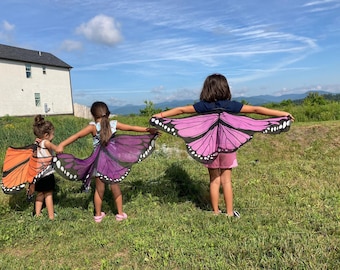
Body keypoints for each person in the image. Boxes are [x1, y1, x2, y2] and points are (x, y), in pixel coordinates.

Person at [153, 73, 294, 218]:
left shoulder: (203, 106)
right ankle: (229, 213)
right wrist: (283, 114)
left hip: (209, 148)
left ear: (206, 89)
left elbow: (181, 110)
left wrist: (160, 116)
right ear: (225, 88)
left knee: (214, 180)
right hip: (227, 148)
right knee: (226, 181)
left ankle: (215, 212)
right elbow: (256, 110)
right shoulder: (230, 105)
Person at [56, 101, 158, 223]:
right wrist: (148, 130)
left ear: (93, 115)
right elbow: (132, 128)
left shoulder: (92, 127)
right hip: (114, 162)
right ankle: (120, 214)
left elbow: (77, 136)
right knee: (116, 187)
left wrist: (62, 144)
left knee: (99, 190)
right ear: (108, 114)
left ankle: (98, 216)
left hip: (98, 163)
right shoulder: (113, 124)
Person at [30, 114, 59, 220]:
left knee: (40, 194)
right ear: (46, 135)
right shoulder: (45, 142)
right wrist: (58, 148)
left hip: (38, 174)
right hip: (47, 174)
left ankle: (37, 214)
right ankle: (51, 216)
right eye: (53, 134)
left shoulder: (36, 142)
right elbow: (52, 147)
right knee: (49, 194)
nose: (54, 136)